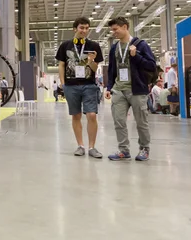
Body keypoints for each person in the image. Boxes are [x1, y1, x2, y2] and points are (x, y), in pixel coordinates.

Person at [105, 17, 157, 162]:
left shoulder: (141, 45)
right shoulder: (114, 48)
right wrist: (109, 87)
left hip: (137, 90)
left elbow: (152, 66)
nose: (113, 32)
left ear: (125, 27)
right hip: (118, 89)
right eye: (112, 30)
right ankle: (123, 150)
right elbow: (111, 70)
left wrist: (136, 56)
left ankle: (144, 149)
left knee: (141, 122)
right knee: (119, 121)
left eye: (115, 29)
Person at [55, 17, 104, 158]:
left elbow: (95, 68)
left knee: (92, 115)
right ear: (75, 29)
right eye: (82, 28)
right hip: (71, 85)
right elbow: (61, 65)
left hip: (89, 84)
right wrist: (63, 83)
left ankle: (92, 147)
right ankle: (81, 145)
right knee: (75, 115)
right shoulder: (65, 46)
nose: (84, 30)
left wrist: (91, 61)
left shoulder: (94, 46)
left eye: (87, 28)